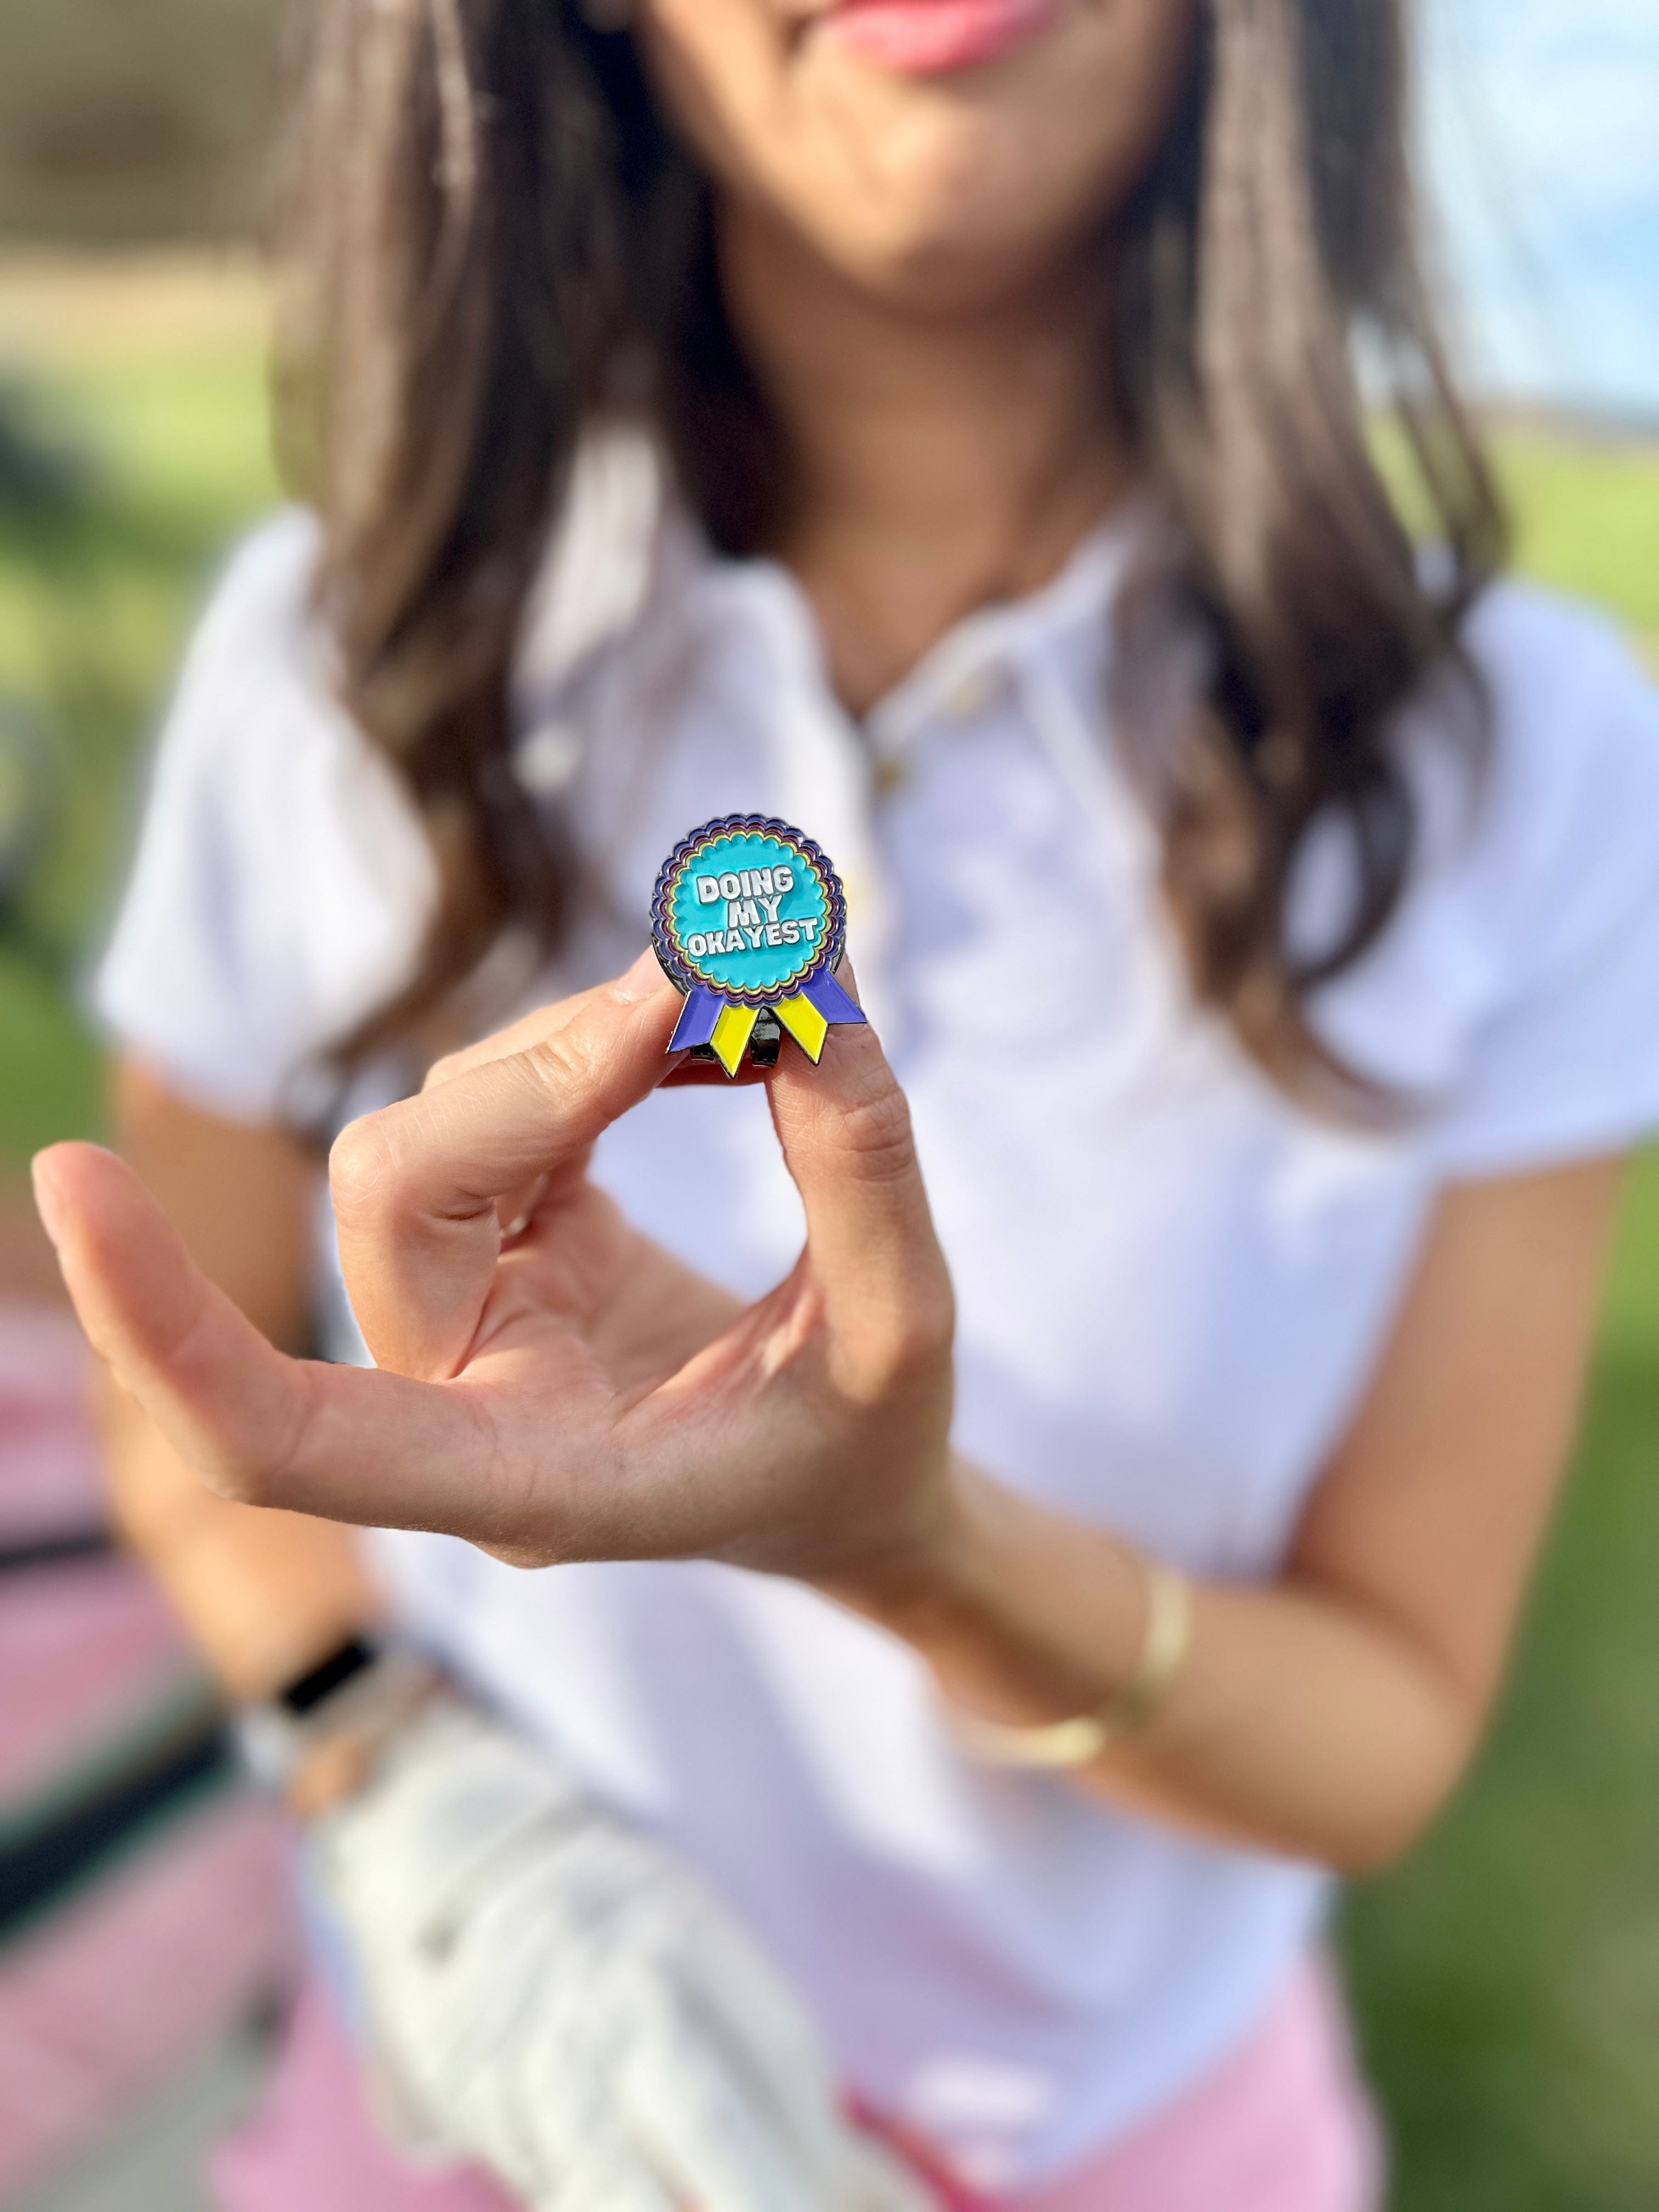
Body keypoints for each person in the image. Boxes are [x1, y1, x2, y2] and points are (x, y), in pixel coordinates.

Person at [31, 0, 1659, 2204]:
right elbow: (186, 1383)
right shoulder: (338, 669)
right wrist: (399, 1783)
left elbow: (1381, 1733)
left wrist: (918, 1546)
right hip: (479, 2096)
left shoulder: (1532, 763)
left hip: (1158, 2139)